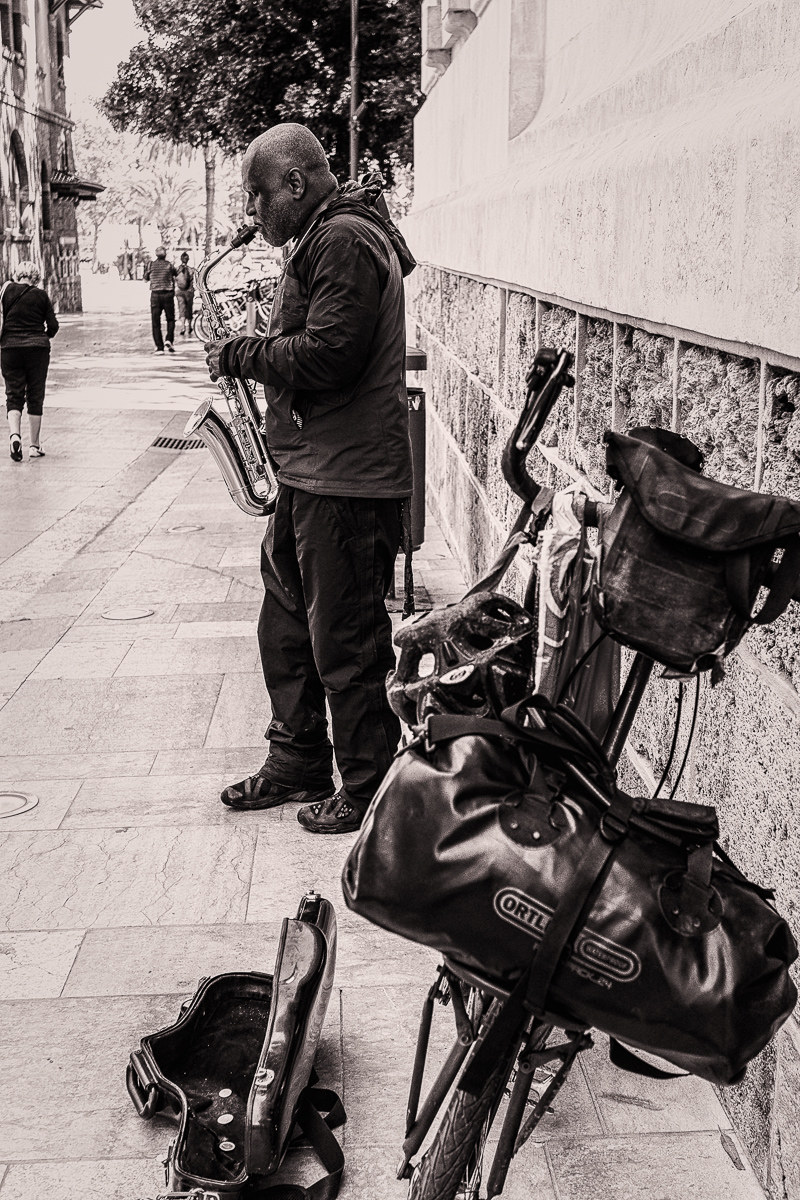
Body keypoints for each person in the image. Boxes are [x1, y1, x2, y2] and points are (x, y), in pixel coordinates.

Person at [205, 122, 416, 834]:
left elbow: (332, 355)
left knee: (346, 641)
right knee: (288, 629)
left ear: (295, 183)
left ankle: (368, 788)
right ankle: (296, 759)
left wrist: (246, 352)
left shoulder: (344, 240)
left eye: (258, 195)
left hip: (346, 482)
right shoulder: (325, 236)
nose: (253, 211)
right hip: (313, 475)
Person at [1, 261, 59, 461]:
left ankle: (15, 435)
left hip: (9, 348)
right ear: (35, 276)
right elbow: (53, 325)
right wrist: (43, 335)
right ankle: (34, 445)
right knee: (35, 394)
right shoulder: (41, 295)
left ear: (18, 274)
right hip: (37, 349)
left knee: (13, 394)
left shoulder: (6, 290)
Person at [144, 246, 176, 354]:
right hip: (168, 294)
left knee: (156, 321)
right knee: (170, 319)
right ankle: (169, 339)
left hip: (155, 295)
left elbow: (145, 278)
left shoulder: (151, 265)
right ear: (165, 254)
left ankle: (159, 347)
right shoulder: (169, 265)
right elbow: (175, 274)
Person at [175, 252, 195, 336]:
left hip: (179, 292)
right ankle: (189, 327)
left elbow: (174, 279)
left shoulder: (177, 269)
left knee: (181, 309)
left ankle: (183, 327)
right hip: (189, 292)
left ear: (181, 259)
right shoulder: (191, 270)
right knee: (189, 309)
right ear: (188, 260)